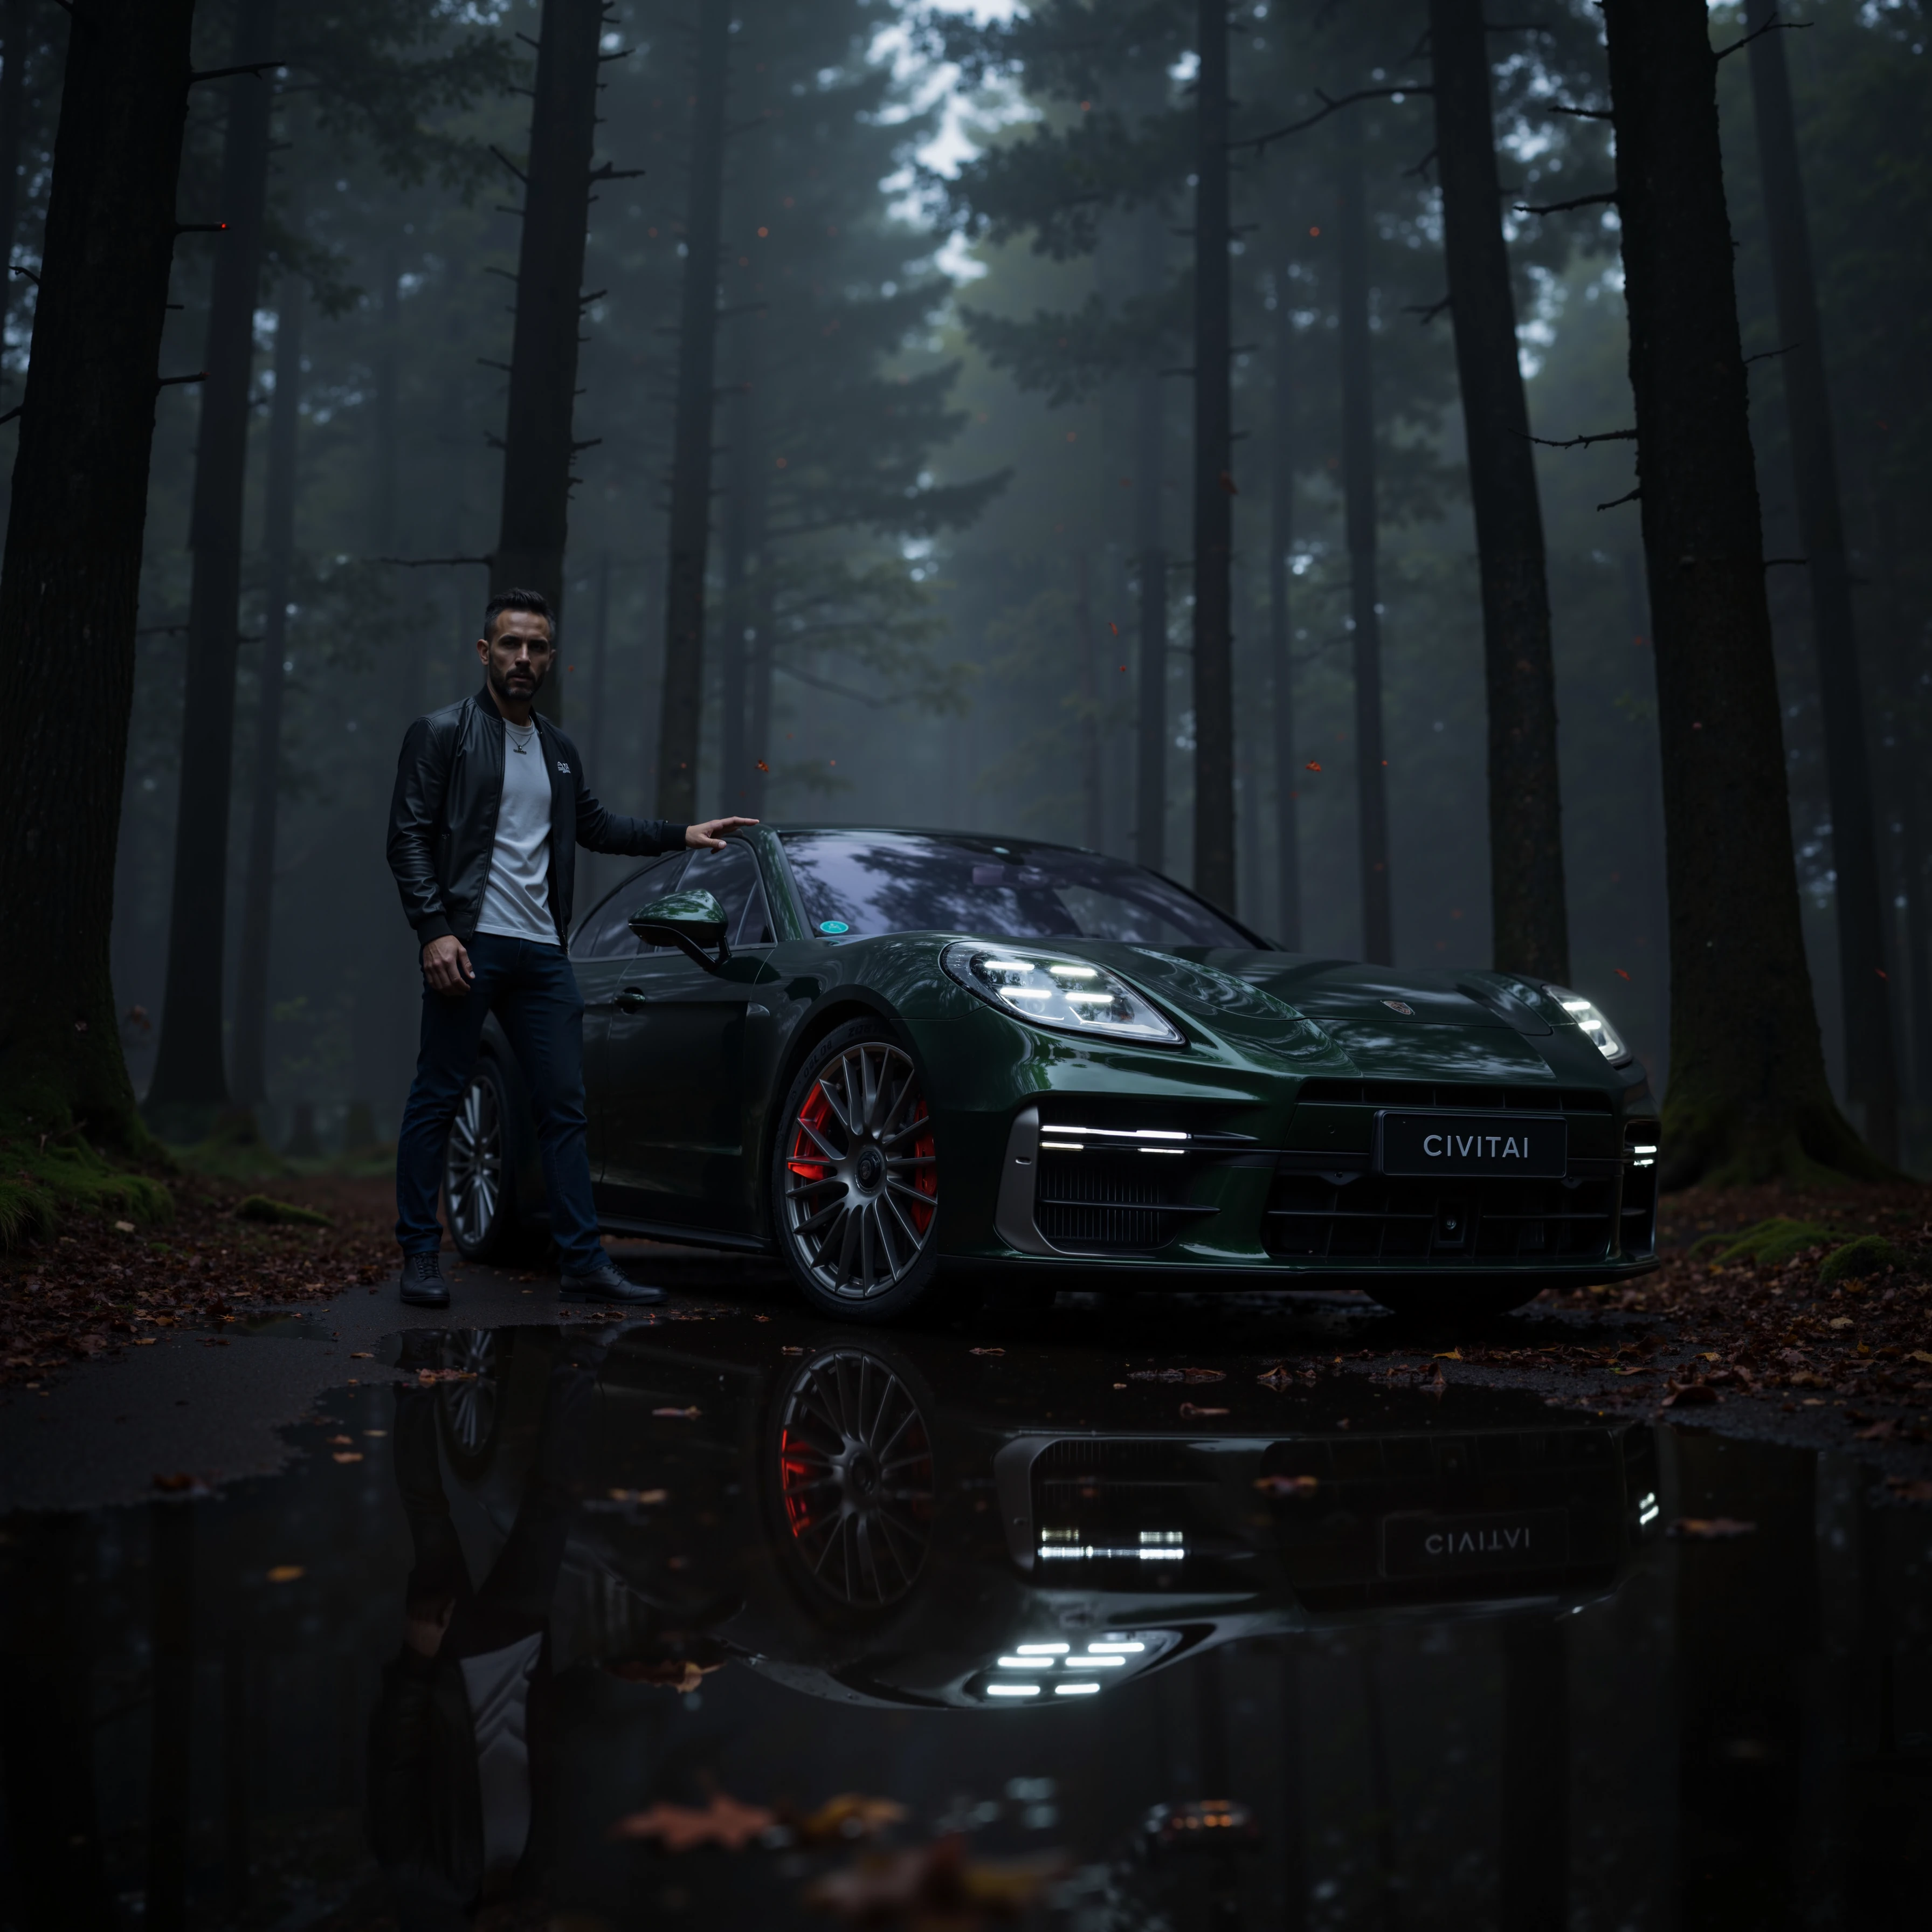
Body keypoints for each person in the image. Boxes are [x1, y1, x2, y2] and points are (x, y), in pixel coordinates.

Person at [387, 587, 754, 1307]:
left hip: (542, 954)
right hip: (470, 944)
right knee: (438, 1097)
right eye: (512, 644)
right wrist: (434, 930)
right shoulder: (443, 734)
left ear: (552, 657)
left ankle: (583, 1261)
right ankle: (421, 1256)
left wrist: (683, 835)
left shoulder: (557, 750)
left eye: (538, 647)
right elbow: (407, 838)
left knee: (565, 1107)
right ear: (485, 650)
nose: (524, 658)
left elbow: (597, 825)